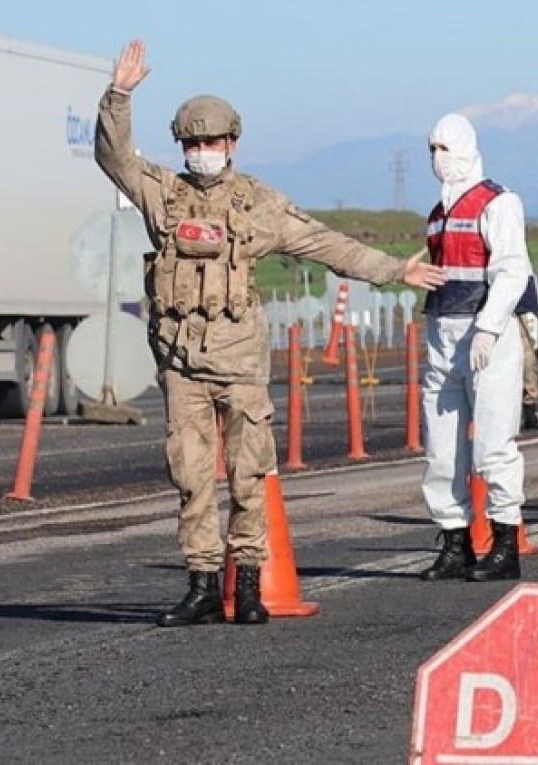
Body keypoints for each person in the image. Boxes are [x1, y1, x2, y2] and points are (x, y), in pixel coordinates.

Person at [95, 41, 444, 626]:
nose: (203, 152)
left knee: (249, 474)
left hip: (240, 360)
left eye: (212, 142)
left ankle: (250, 583)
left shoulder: (259, 205)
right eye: (193, 143)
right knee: (190, 476)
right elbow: (113, 156)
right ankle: (203, 584)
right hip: (181, 360)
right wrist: (119, 95)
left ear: (233, 143)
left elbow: (328, 244)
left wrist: (395, 271)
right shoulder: (164, 195)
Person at [419, 112, 537, 583]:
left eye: (444, 148)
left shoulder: (499, 203)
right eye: (431, 149)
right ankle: (454, 541)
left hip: (485, 337)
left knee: (493, 444)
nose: (436, 158)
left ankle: (506, 542)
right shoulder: (438, 214)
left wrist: (489, 328)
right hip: (442, 335)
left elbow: (512, 270)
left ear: (467, 147)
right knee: (442, 448)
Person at [517, 293, 538, 431]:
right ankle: (529, 413)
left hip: (519, 313)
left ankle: (530, 414)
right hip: (509, 315)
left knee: (528, 363)